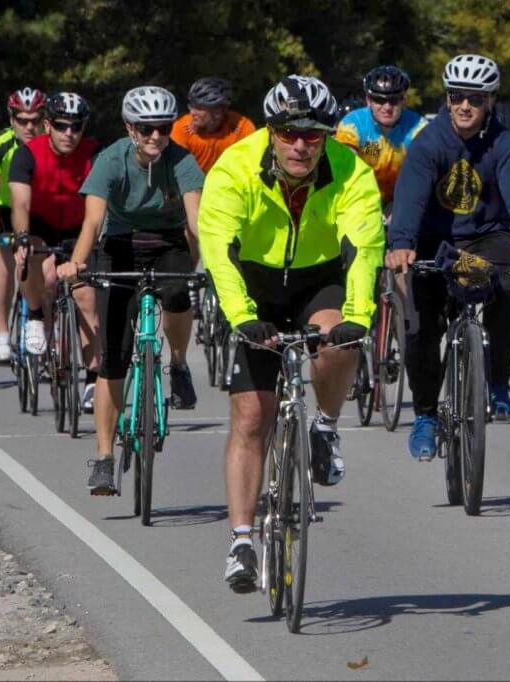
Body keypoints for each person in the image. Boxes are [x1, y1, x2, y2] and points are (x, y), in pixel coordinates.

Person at [198, 75, 384, 592]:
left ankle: (324, 424)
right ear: (272, 131)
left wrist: (360, 315)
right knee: (251, 416)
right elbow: (218, 250)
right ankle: (240, 541)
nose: (301, 145)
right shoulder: (234, 168)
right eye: (289, 133)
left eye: (313, 134)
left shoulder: (351, 172)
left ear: (327, 135)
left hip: (317, 278)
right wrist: (241, 317)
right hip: (254, 284)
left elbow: (364, 250)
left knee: (340, 338)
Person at [387, 53, 510, 459]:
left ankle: (497, 384)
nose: (465, 106)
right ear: (446, 99)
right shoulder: (429, 142)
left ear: (490, 102)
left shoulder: (505, 144)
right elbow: (410, 197)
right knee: (420, 325)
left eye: (475, 99)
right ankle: (425, 415)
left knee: (502, 288)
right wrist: (402, 242)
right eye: (457, 97)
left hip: (485, 238)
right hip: (433, 242)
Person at [57, 85, 203, 495]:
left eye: (163, 127)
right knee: (114, 357)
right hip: (119, 246)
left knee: (178, 294)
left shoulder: (182, 160)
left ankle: (177, 363)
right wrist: (78, 262)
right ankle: (104, 459)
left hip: (167, 244)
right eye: (146, 128)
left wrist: (208, 264)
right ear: (129, 127)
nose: (156, 136)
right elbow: (91, 222)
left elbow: (194, 221)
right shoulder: (110, 160)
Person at [8, 92, 101, 406]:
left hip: (79, 227)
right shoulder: (27, 154)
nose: (69, 134)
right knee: (33, 261)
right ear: (48, 125)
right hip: (40, 223)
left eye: (76, 127)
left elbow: (96, 211)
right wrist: (21, 236)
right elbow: (20, 202)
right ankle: (35, 313)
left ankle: (91, 379)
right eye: (61, 126)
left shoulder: (94, 153)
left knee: (85, 296)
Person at [0, 87, 47, 365]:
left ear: (45, 119)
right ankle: (2, 334)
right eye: (22, 120)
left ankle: (48, 333)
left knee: (45, 270)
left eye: (35, 119)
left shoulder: (51, 145)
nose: (29, 126)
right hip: (6, 209)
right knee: (4, 262)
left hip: (39, 210)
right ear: (12, 119)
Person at [335, 65, 426, 207]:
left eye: (394, 100)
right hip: (359, 200)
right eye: (379, 100)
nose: (387, 107)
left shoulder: (419, 127)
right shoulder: (352, 124)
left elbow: (423, 176)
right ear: (368, 100)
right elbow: (344, 171)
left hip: (402, 202)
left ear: (404, 101)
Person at [170, 77, 256, 174]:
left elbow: (251, 165)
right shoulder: (180, 129)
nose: (192, 112)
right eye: (191, 106)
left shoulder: (241, 127)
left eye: (199, 108)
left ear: (218, 113)